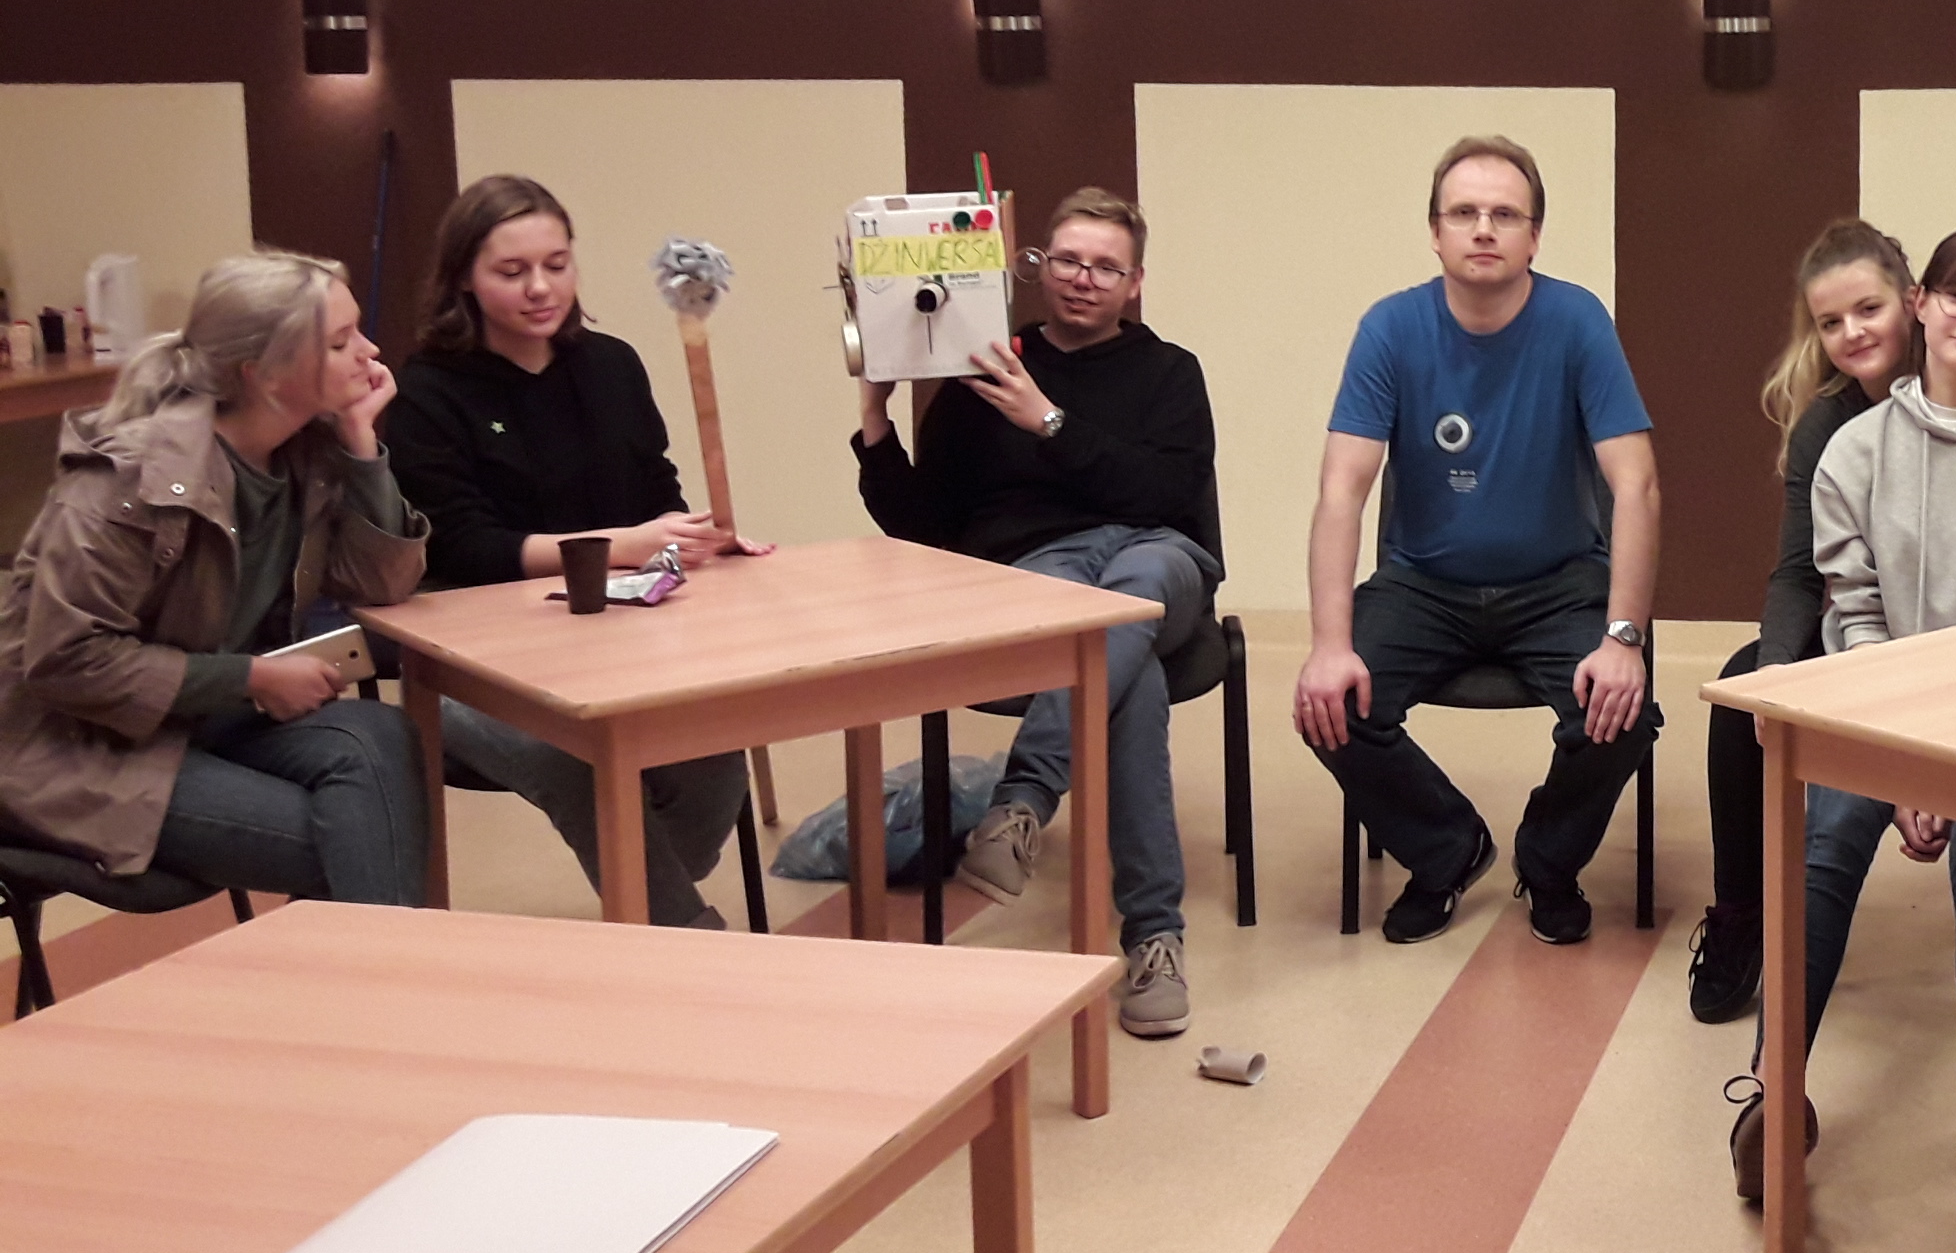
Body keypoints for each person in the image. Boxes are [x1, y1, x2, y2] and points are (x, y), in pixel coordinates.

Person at [1726, 225, 1956, 1235]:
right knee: (1829, 839)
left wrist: (1944, 768)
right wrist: (1898, 767)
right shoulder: (1852, 451)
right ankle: (1770, 1096)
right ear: (1923, 304)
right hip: (1879, 709)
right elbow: (1852, 615)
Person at [856, 184, 1220, 1038]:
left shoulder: (1171, 372)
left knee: (1130, 588)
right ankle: (1155, 937)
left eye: (1106, 267)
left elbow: (1169, 493)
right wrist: (874, 415)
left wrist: (1049, 421)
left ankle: (1024, 797)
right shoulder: (985, 370)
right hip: (1041, 580)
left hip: (1160, 562)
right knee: (1126, 681)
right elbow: (926, 526)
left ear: (1135, 282)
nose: (1083, 278)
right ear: (1038, 267)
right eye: (1067, 260)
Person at [1293, 136, 1660, 946]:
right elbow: (1341, 491)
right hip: (1424, 584)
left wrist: (1623, 639)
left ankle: (1549, 862)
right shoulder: (1390, 328)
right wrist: (1328, 644)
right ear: (1435, 232)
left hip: (1559, 581)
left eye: (1505, 214)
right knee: (1331, 703)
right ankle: (1448, 849)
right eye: (1463, 212)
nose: (1484, 228)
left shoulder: (1577, 321)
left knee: (1622, 714)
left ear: (1535, 236)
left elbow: (1636, 486)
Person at [385, 175, 762, 930]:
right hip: (468, 660)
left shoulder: (611, 364)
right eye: (512, 270)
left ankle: (650, 895)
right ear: (463, 278)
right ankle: (690, 939)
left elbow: (654, 491)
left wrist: (698, 539)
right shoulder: (425, 391)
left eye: (556, 265)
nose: (540, 288)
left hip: (615, 634)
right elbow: (465, 547)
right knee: (575, 755)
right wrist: (621, 545)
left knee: (717, 738)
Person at [0, 251, 429, 904]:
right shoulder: (128, 480)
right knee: (359, 841)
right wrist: (251, 678)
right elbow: (65, 661)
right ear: (264, 374)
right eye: (341, 341)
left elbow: (381, 586)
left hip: (206, 716)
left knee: (381, 739)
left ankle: (378, 968)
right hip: (77, 745)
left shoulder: (305, 452)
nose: (370, 352)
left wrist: (361, 441)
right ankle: (393, 970)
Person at [1687, 220, 1920, 1024]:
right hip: (1859, 625)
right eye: (1830, 322)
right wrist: (1777, 671)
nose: (1851, 332)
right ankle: (1742, 915)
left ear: (1912, 302)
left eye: (1868, 309)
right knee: (1742, 691)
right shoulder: (1825, 422)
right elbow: (1798, 572)